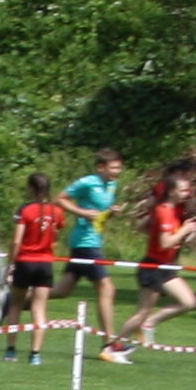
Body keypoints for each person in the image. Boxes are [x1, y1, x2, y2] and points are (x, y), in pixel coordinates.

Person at [121, 165, 196, 350]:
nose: (187, 194)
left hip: (165, 266)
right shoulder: (164, 210)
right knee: (142, 311)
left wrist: (179, 232)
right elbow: (165, 243)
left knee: (189, 302)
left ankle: (149, 323)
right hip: (153, 267)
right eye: (183, 190)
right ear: (172, 191)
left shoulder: (174, 211)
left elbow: (144, 228)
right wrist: (184, 230)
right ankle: (114, 346)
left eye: (188, 190)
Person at [63, 150, 126, 353]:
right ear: (101, 167)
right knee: (107, 289)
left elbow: (101, 214)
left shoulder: (112, 185)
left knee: (62, 290)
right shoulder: (87, 182)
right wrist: (82, 212)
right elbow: (60, 199)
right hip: (85, 242)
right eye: (113, 167)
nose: (118, 171)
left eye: (119, 167)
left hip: (94, 241)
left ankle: (15, 301)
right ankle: (109, 344)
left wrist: (112, 213)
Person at [4, 173, 62, 360]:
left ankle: (11, 350)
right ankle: (35, 354)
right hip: (45, 263)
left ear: (31, 188)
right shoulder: (56, 211)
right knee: (39, 308)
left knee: (16, 305)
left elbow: (16, 241)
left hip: (25, 261)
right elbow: (56, 233)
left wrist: (10, 265)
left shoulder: (25, 210)